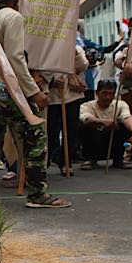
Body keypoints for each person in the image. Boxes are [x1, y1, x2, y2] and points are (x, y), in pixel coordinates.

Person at [0, 0, 70, 208]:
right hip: (10, 90)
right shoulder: (13, 17)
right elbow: (16, 59)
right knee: (36, 138)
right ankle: (37, 194)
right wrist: (33, 92)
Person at [79, 79, 132, 170]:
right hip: (95, 141)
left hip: (113, 141)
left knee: (126, 127)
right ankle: (91, 159)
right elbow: (86, 118)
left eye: (111, 94)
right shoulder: (86, 106)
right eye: (104, 93)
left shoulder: (120, 105)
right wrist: (103, 122)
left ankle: (118, 159)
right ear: (97, 93)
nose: (107, 97)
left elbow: (126, 116)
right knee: (84, 127)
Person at [46, 46, 89, 174]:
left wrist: (75, 53)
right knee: (50, 130)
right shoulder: (47, 46)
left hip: (71, 95)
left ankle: (66, 161)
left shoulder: (74, 47)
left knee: (71, 130)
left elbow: (83, 65)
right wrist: (52, 81)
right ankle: (48, 158)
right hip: (52, 96)